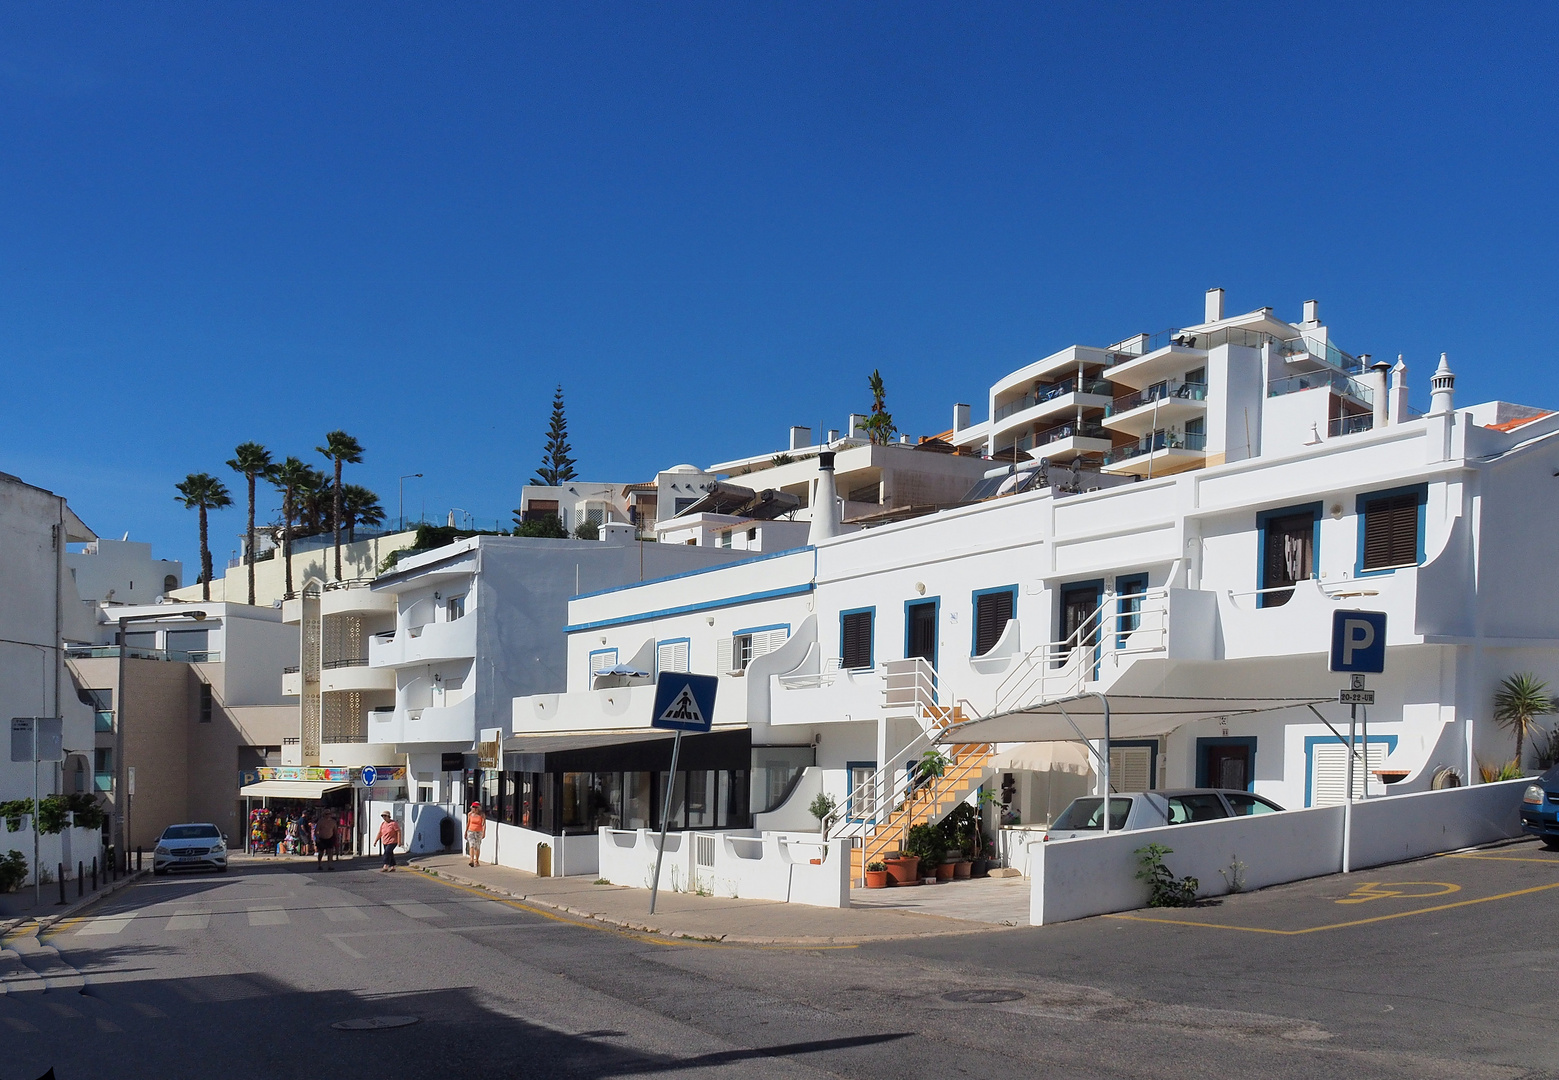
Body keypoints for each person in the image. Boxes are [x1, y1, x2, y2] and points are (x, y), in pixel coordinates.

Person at [465, 802, 488, 867]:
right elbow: (468, 823)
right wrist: (466, 832)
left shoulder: (482, 815)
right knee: (471, 845)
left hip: (479, 831)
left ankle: (476, 860)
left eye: (476, 807)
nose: (474, 809)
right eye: (473, 807)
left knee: (477, 846)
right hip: (471, 831)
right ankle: (471, 860)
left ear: (479, 808)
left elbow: (483, 824)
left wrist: (484, 832)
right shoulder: (470, 814)